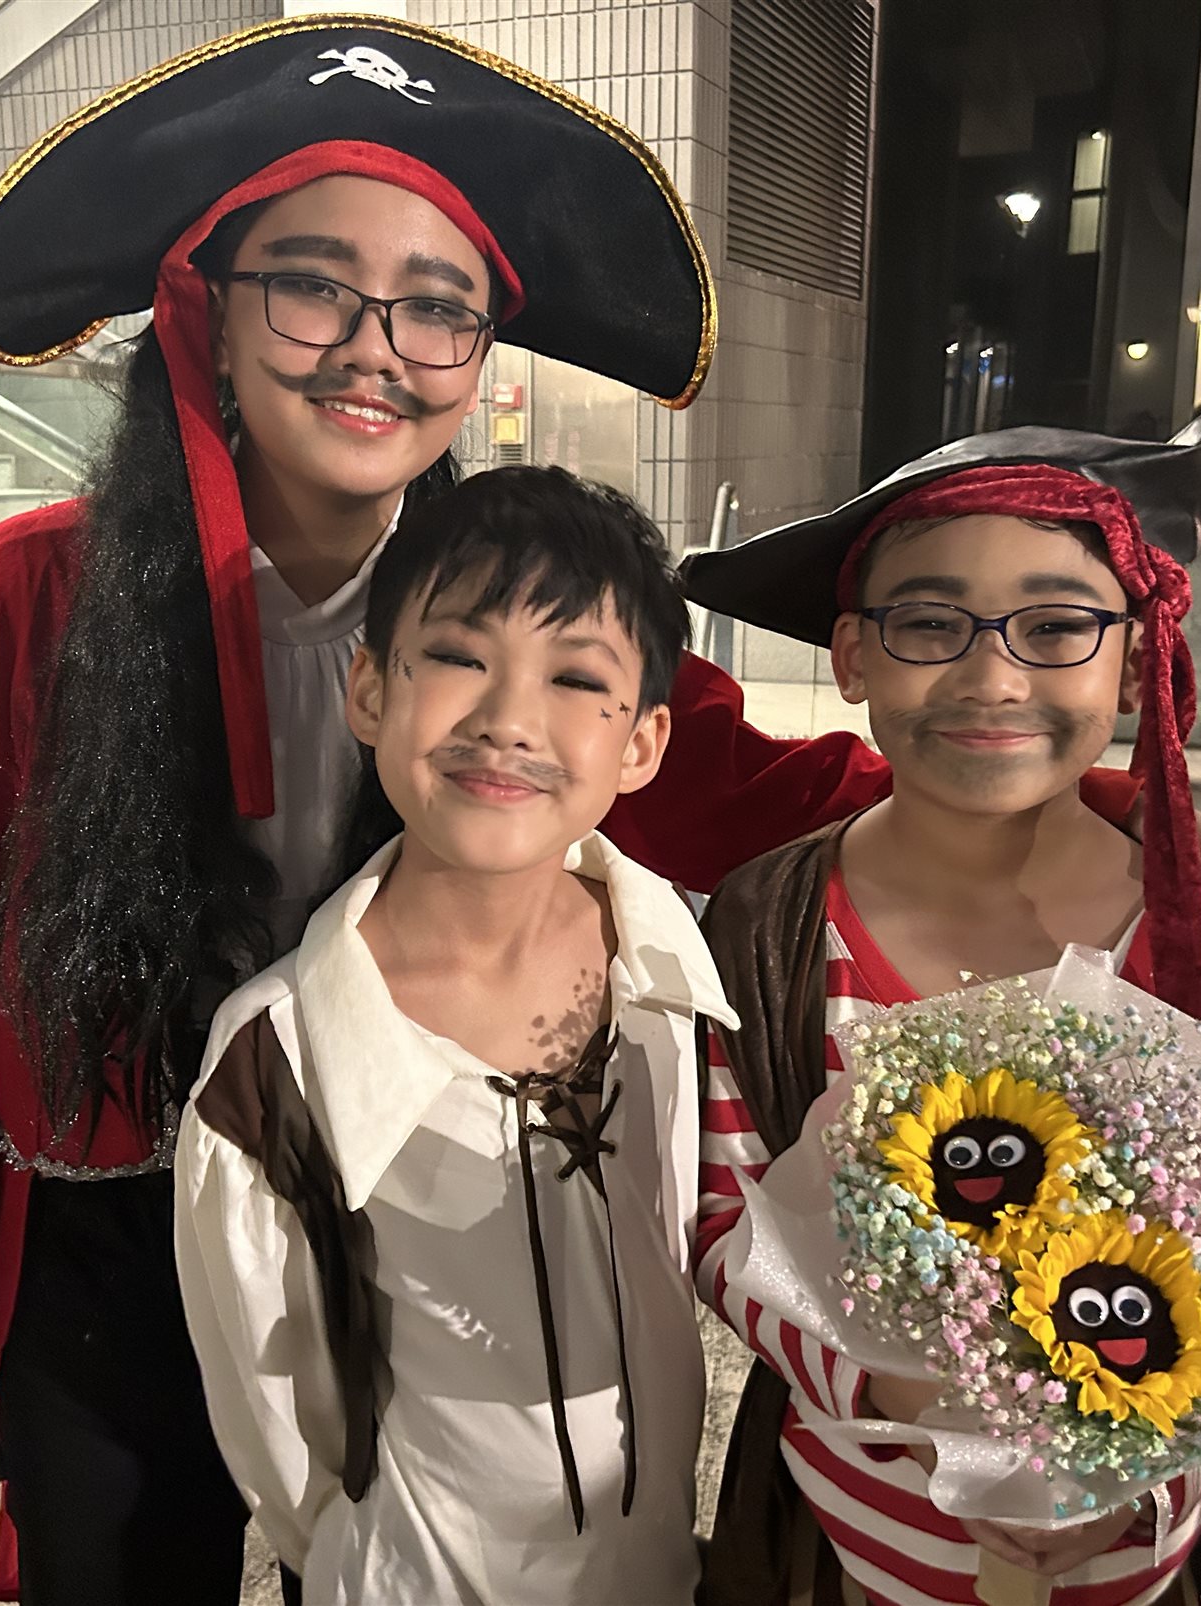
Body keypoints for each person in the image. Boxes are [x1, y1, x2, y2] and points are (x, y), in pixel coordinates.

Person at [0, 17, 1201, 1602]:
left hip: (405, 1230)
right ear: (206, 310)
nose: (373, 347)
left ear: (480, 351)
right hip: (119, 1217)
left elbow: (783, 791)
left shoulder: (530, 613)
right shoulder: (28, 600)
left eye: (437, 306)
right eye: (312, 286)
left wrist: (1110, 809)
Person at [680, 409, 1201, 1606]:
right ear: (850, 656)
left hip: (1146, 1561)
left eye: (1055, 626)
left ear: (1134, 658)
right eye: (928, 623)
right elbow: (724, 1220)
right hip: (857, 1547)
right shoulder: (770, 928)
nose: (990, 677)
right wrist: (895, 1393)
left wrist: (1151, 1463)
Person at [176, 465, 730, 1604]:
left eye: (576, 678)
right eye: (460, 657)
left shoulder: (682, 982)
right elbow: (278, 1424)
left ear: (642, 743)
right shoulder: (275, 1060)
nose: (507, 721)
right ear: (369, 689)